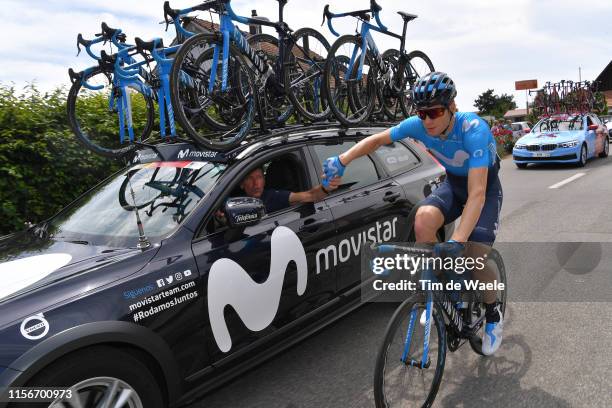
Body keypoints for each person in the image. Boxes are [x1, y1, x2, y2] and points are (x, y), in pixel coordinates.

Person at [322, 72, 504, 355]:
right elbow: (378, 140)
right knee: (422, 219)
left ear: (452, 107)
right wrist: (343, 160)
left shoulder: (474, 130)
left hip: (484, 190)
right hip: (454, 186)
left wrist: (457, 239)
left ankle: (493, 314)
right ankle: (439, 290)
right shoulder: (418, 126)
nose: (428, 120)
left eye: (435, 112)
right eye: (422, 113)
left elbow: (478, 194)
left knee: (474, 256)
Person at [215, 166, 341, 223]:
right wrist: (222, 218)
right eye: (249, 178)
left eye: (259, 177)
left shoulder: (273, 197)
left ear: (264, 180)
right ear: (242, 184)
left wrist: (326, 187)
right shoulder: (230, 200)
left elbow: (310, 196)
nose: (256, 183)